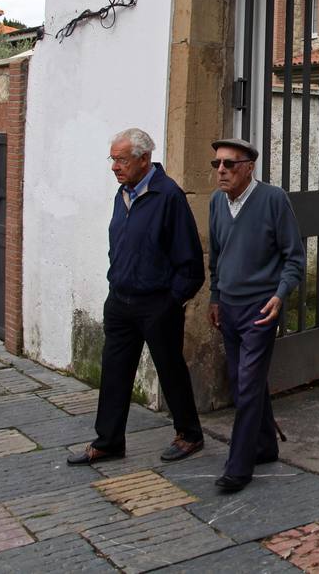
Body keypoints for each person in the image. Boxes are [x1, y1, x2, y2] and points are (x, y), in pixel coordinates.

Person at [67, 128, 206, 466]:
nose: (114, 167)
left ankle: (190, 434)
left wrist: (171, 302)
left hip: (156, 303)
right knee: (114, 372)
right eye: (113, 159)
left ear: (144, 159)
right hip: (120, 300)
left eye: (122, 160)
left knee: (170, 369)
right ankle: (109, 441)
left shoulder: (169, 196)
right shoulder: (123, 193)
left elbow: (190, 263)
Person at [207, 137, 304, 493]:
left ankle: (239, 465)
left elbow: (294, 257)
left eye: (229, 164)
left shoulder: (273, 199)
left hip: (260, 309)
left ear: (248, 168)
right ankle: (264, 446)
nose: (221, 170)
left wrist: (280, 295)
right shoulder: (217, 202)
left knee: (246, 386)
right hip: (228, 308)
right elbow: (216, 255)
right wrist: (215, 296)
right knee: (243, 380)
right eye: (217, 164)